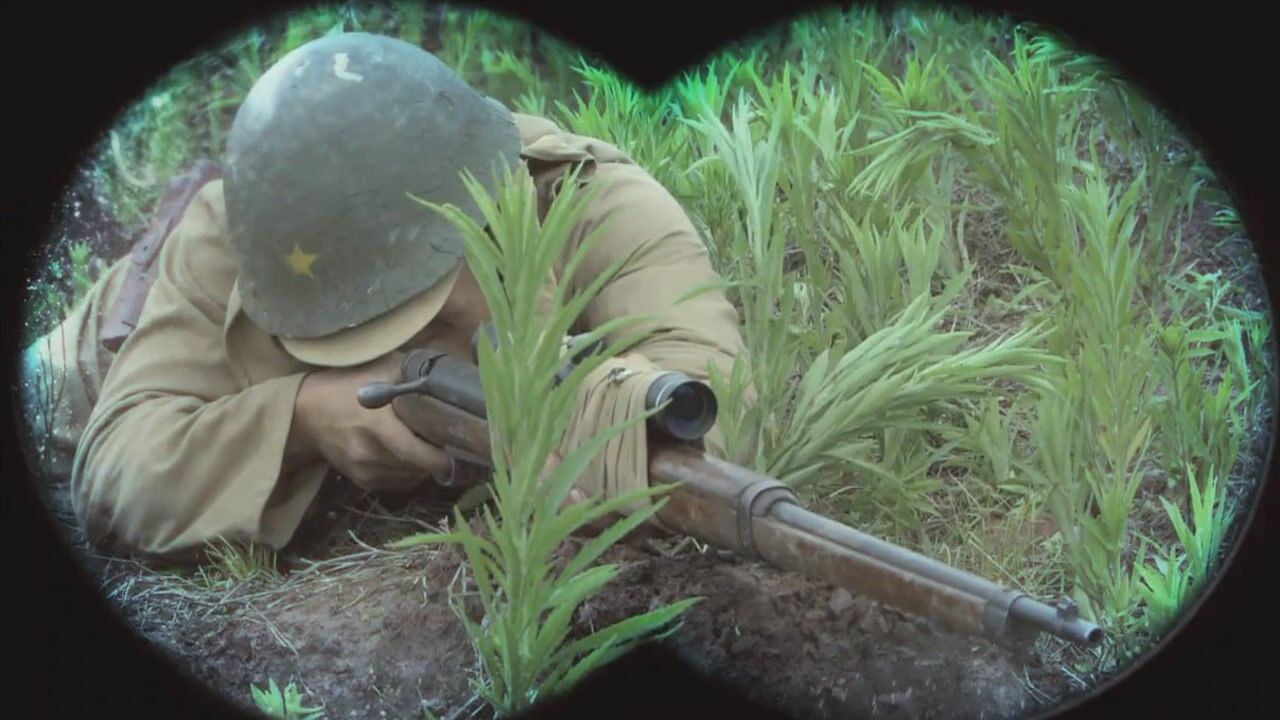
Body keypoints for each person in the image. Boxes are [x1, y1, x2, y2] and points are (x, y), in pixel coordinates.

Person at [17, 32, 746, 563]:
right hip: (102, 352)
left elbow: (720, 403)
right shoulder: (230, 239)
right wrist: (300, 419)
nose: (404, 362)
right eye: (364, 343)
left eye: (431, 321)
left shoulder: (595, 204)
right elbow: (116, 471)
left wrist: (584, 424)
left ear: (495, 228)